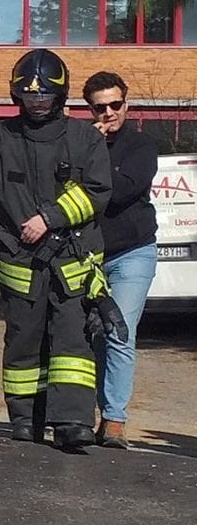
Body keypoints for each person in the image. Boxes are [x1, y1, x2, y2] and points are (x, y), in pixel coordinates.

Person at [0, 49, 115, 451]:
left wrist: (51, 217)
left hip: (72, 260)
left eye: (44, 96)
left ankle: (73, 423)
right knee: (24, 340)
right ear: (17, 97)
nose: (37, 103)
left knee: (72, 344)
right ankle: (25, 419)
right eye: (29, 97)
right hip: (19, 261)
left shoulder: (85, 138)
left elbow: (97, 191)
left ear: (59, 97)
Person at [83, 71, 159, 449]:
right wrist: (89, 151)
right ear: (90, 109)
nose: (109, 112)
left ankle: (114, 421)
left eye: (116, 104)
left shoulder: (142, 147)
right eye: (101, 107)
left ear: (126, 104)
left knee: (118, 332)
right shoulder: (81, 143)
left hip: (133, 253)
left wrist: (89, 174)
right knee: (92, 337)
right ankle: (90, 415)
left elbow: (121, 192)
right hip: (88, 257)